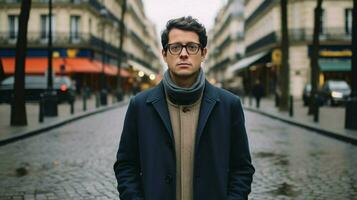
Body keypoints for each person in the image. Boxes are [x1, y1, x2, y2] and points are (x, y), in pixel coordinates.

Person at [113, 16, 255, 200]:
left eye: (192, 47)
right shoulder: (140, 106)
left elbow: (241, 168)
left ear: (203, 53)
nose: (183, 54)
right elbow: (126, 165)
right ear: (164, 54)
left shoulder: (229, 105)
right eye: (175, 47)